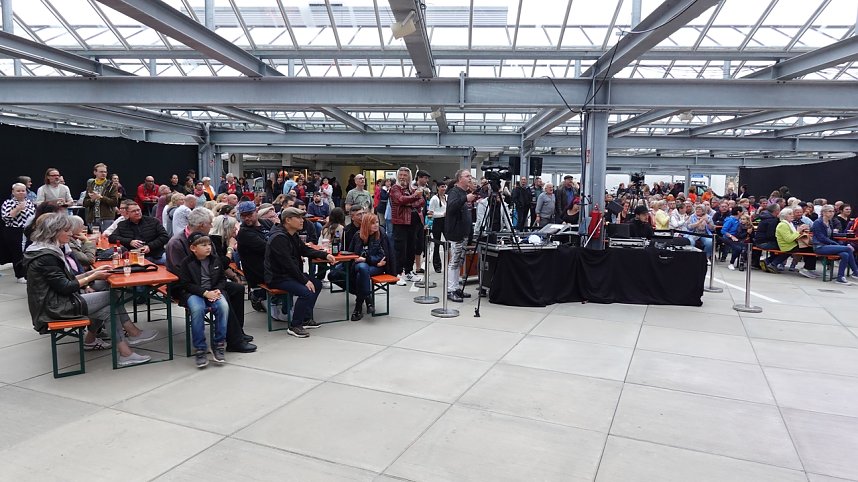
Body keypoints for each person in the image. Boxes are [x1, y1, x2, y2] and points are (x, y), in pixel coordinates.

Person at [23, 213, 154, 366]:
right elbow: (65, 287)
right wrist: (92, 277)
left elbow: (66, 280)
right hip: (54, 307)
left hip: (57, 301)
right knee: (113, 296)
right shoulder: (46, 256)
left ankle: (123, 350)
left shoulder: (45, 250)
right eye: (66, 230)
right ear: (55, 231)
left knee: (108, 306)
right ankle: (130, 336)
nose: (71, 233)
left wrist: (93, 273)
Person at [167, 207, 257, 353]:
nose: (211, 226)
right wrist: (207, 290)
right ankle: (235, 341)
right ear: (202, 225)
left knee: (237, 289)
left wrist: (223, 281)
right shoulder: (177, 243)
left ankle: (236, 331)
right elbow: (181, 276)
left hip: (210, 282)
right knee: (223, 296)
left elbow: (217, 265)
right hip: (187, 288)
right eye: (210, 223)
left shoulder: (207, 240)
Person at [264, 207, 337, 338]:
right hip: (278, 277)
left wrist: (324, 255)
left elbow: (305, 250)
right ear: (288, 220)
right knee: (307, 291)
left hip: (288, 274)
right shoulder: (278, 238)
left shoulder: (291, 234)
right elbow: (288, 264)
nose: (302, 220)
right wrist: (305, 280)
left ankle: (305, 318)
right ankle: (295, 325)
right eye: (298, 217)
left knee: (317, 284)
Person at [177, 233, 230, 368]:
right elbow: (185, 284)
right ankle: (200, 348)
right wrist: (204, 293)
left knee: (223, 306)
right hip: (194, 293)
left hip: (213, 292)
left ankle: (219, 344)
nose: (208, 248)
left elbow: (222, 279)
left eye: (209, 245)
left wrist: (218, 289)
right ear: (193, 248)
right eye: (203, 245)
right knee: (197, 309)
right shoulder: (186, 263)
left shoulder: (215, 260)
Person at [349, 213, 395, 321]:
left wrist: (368, 260)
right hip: (361, 265)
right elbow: (352, 254)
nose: (376, 225)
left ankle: (358, 307)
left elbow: (382, 256)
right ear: (366, 224)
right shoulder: (358, 235)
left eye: (377, 222)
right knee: (362, 268)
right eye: (372, 223)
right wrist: (365, 260)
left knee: (362, 273)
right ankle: (368, 301)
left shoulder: (380, 235)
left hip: (376, 267)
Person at [389, 167, 425, 285]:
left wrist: (409, 201)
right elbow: (400, 200)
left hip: (413, 222)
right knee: (400, 248)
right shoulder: (395, 188)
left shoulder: (412, 188)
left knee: (411, 248)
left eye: (405, 175)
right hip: (400, 222)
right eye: (400, 175)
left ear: (409, 177)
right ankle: (398, 273)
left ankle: (409, 271)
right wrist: (415, 197)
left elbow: (422, 201)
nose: (402, 177)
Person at [236, 201, 273, 312]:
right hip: (258, 270)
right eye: (243, 216)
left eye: (249, 215)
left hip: (271, 265)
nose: (247, 218)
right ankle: (257, 296)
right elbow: (268, 248)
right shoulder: (244, 232)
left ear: (256, 212)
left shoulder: (267, 223)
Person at [444, 169, 475, 302]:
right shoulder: (454, 192)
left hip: (463, 232)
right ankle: (451, 290)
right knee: (454, 262)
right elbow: (451, 208)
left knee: (459, 262)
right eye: (467, 176)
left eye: (470, 176)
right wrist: (465, 198)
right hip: (456, 232)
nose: (470, 178)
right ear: (459, 178)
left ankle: (456, 287)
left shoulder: (462, 192)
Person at [812, 205, 858, 285]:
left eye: (833, 211)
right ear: (823, 212)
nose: (832, 213)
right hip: (820, 246)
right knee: (848, 249)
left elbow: (832, 235)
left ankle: (840, 277)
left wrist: (845, 235)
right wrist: (835, 243)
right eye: (829, 211)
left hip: (828, 245)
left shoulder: (829, 222)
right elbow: (821, 238)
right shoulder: (818, 222)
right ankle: (856, 271)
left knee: (845, 254)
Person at [1, 183, 36, 283]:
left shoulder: (29, 202)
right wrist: (17, 209)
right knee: (17, 253)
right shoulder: (8, 203)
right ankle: (19, 275)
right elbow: (5, 217)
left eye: (23, 191)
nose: (21, 193)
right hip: (14, 230)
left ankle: (29, 273)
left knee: (28, 251)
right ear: (13, 192)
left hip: (28, 230)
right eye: (18, 191)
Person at [774, 207, 817, 278]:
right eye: (790, 214)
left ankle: (810, 269)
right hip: (788, 246)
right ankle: (807, 269)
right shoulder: (783, 225)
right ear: (784, 216)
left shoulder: (789, 224)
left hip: (792, 244)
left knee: (810, 247)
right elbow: (789, 239)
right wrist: (798, 231)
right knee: (810, 249)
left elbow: (793, 236)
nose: (792, 215)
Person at [83, 163, 119, 232]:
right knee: (94, 239)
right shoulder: (91, 185)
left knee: (106, 238)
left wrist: (101, 197)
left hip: (106, 218)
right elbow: (85, 203)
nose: (103, 174)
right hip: (93, 218)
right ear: (95, 172)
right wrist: (92, 200)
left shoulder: (111, 185)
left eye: (105, 172)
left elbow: (114, 202)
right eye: (101, 172)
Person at [428, 182, 447, 273]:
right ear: (438, 188)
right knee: (437, 244)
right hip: (437, 222)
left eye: (444, 186)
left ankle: (449, 264)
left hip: (446, 222)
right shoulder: (434, 199)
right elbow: (430, 214)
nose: (443, 188)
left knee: (448, 244)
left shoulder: (447, 197)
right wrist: (441, 214)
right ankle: (437, 265)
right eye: (442, 187)